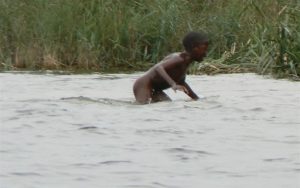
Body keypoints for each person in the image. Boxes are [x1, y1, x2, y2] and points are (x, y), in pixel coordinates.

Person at [133, 31, 209, 104]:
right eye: (204, 50)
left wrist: (196, 98)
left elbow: (181, 82)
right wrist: (173, 84)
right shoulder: (179, 58)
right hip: (144, 85)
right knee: (144, 106)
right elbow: (158, 67)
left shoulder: (185, 63)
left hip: (156, 89)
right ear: (194, 48)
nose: (205, 54)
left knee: (167, 105)